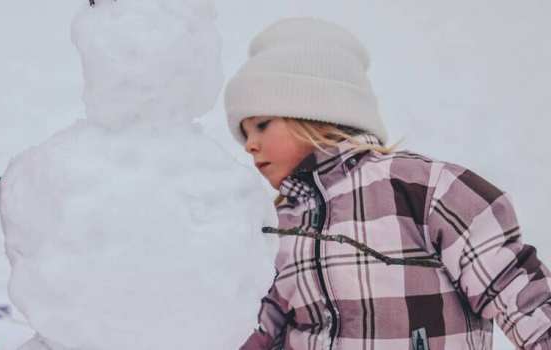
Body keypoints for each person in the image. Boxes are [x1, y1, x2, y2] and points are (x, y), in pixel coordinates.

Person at [225, 17, 551, 349]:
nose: (249, 144)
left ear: (314, 112)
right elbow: (255, 329)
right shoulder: (276, 227)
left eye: (262, 125)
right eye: (244, 133)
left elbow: (517, 291)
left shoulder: (422, 190)